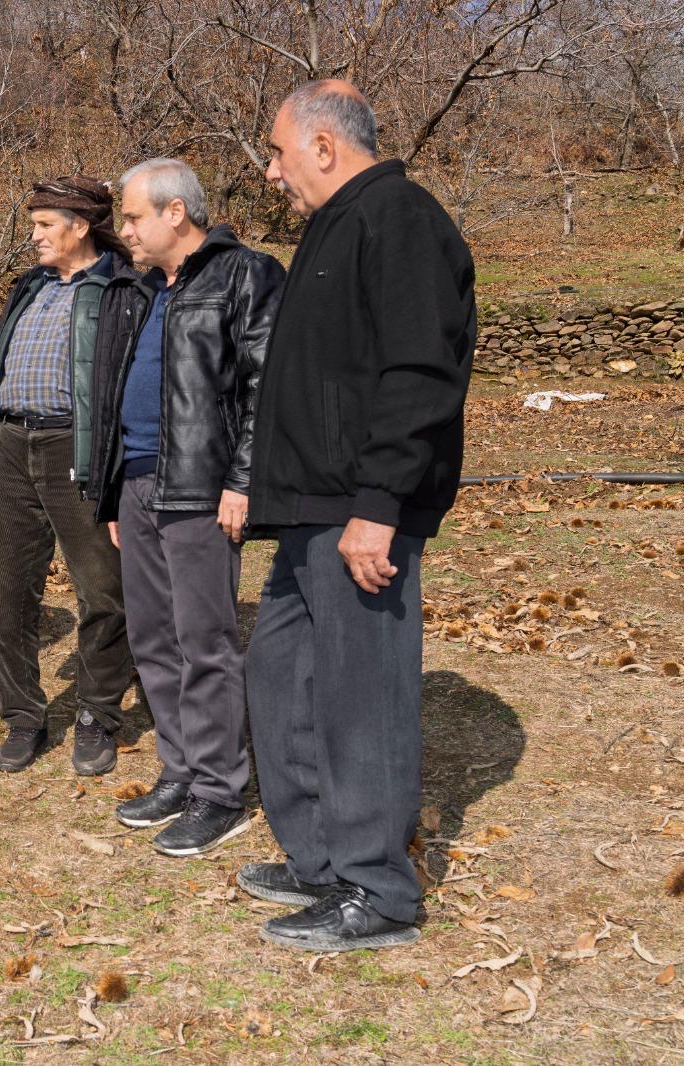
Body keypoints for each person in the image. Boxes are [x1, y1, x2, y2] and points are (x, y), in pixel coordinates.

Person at [240, 81, 476, 951]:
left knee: (358, 697)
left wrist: (379, 505)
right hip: (310, 507)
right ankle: (322, 862)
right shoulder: (333, 229)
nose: (271, 172)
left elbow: (420, 371)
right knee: (282, 680)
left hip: (357, 507)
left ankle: (378, 892)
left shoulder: (399, 217)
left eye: (278, 152)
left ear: (326, 146)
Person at [87, 159, 284, 854]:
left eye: (134, 216)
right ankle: (181, 769)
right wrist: (115, 489)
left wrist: (244, 480)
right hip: (138, 484)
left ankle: (219, 791)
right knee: (153, 641)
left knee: (204, 642)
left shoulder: (244, 274)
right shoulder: (141, 288)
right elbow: (118, 391)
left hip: (202, 487)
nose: (125, 231)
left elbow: (267, 384)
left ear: (177, 213)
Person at [0, 176, 134, 775]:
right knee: (2, 596)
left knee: (104, 592)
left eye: (43, 225)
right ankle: (23, 718)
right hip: (11, 447)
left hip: (77, 450)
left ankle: (97, 716)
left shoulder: (119, 289)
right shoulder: (27, 288)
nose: (32, 236)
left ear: (80, 227)